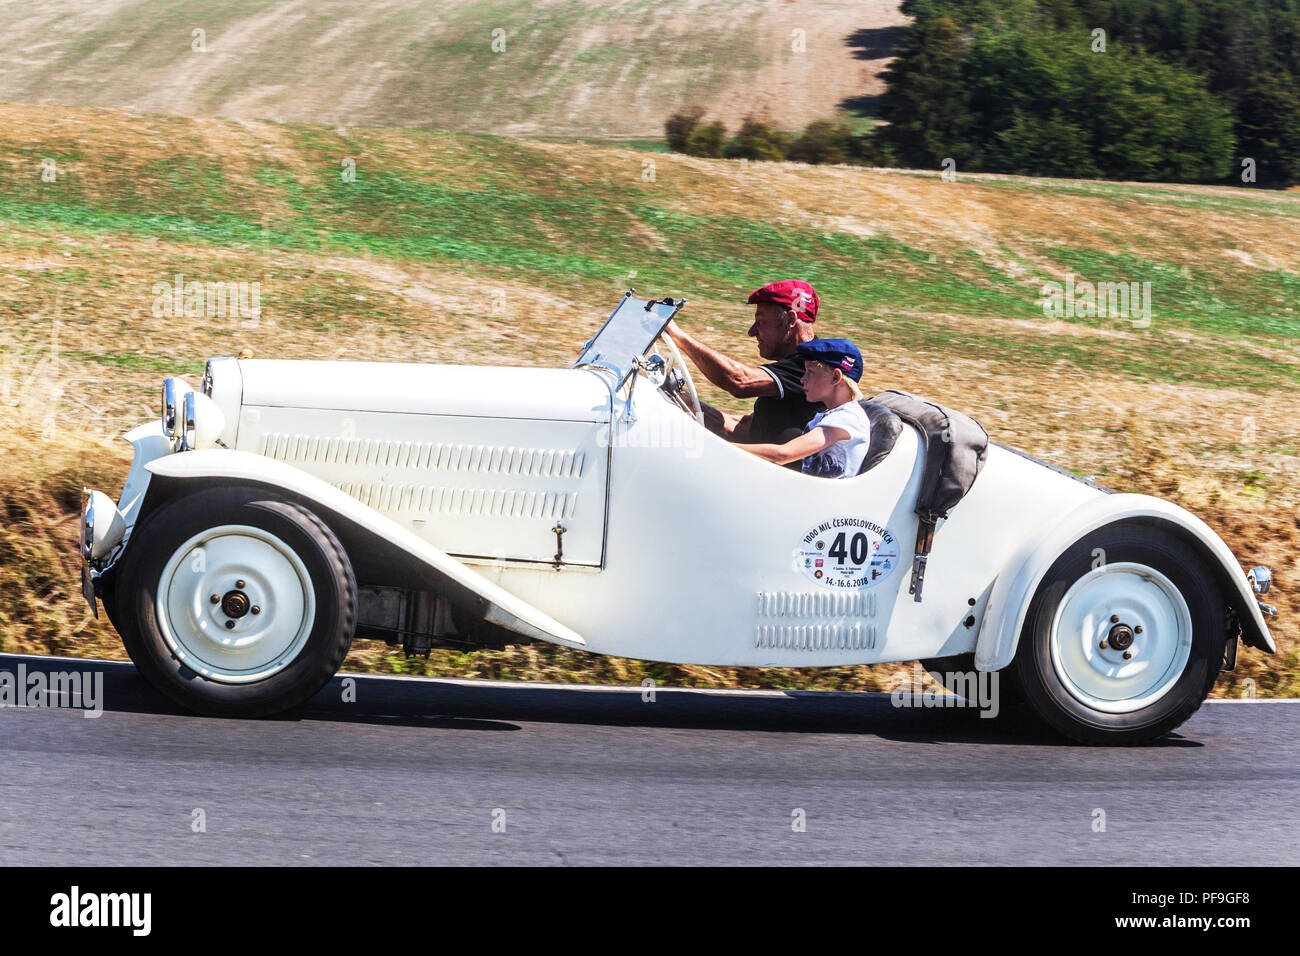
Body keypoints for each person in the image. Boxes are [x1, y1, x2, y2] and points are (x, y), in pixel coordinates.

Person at [665, 280, 822, 469]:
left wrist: (675, 334)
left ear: (790, 321)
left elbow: (739, 381)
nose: (751, 331)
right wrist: (686, 404)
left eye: (761, 322)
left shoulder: (813, 366)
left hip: (783, 485)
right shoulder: (794, 366)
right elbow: (748, 429)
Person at [737, 339, 870, 479]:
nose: (802, 379)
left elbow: (783, 455)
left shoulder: (847, 418)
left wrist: (725, 448)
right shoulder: (828, 415)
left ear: (835, 377)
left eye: (810, 372)